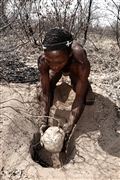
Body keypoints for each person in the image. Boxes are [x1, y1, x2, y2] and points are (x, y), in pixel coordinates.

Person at [37, 28, 95, 146]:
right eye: (50, 61)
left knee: (85, 97)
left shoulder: (80, 60)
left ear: (69, 54)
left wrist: (69, 124)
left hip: (73, 67)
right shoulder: (43, 61)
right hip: (65, 63)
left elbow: (78, 99)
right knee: (42, 89)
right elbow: (46, 92)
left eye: (58, 62)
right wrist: (44, 120)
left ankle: (85, 85)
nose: (54, 66)